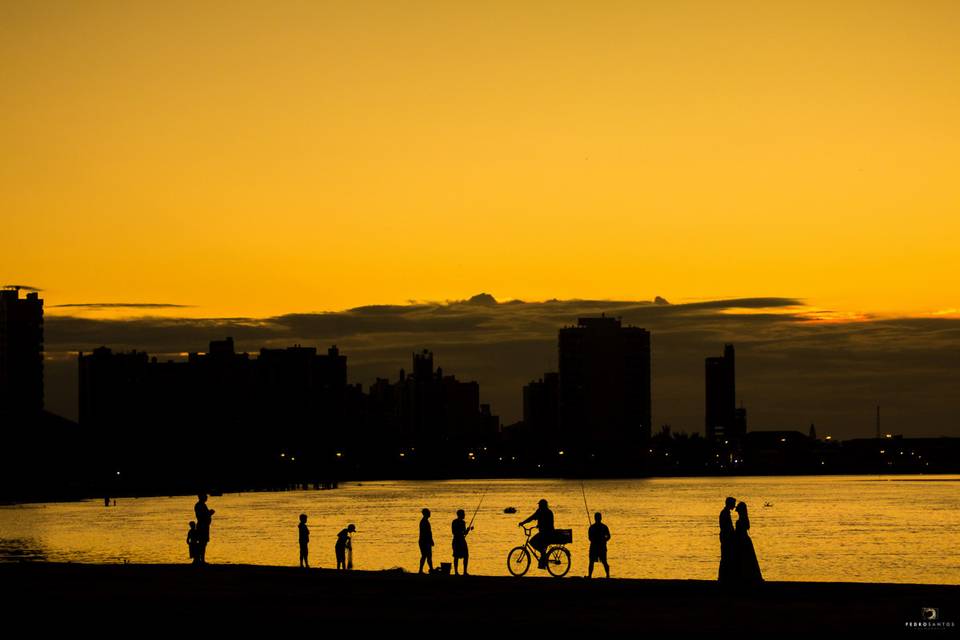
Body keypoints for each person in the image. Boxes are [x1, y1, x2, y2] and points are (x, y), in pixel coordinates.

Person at [519, 499, 555, 569]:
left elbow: (532, 518)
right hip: (548, 533)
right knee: (541, 547)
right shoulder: (549, 511)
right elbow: (546, 522)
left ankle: (543, 556)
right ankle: (543, 561)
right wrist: (539, 525)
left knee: (532, 542)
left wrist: (523, 523)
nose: (539, 506)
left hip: (546, 533)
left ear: (542, 505)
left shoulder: (541, 511)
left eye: (540, 505)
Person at [734, 502, 763, 585]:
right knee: (748, 559)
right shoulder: (744, 519)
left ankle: (745, 577)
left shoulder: (741, 520)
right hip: (745, 540)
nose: (737, 511)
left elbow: (739, 531)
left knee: (744, 559)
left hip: (742, 541)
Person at [718, 496, 736, 583]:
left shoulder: (725, 513)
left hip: (726, 537)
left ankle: (725, 576)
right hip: (726, 538)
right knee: (725, 557)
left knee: (726, 557)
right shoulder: (725, 513)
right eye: (733, 504)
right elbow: (726, 527)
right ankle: (722, 577)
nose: (734, 506)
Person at [587, 512, 611, 578]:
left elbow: (589, 537)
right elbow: (608, 536)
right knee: (600, 561)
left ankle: (590, 576)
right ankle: (607, 575)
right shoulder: (603, 527)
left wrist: (603, 540)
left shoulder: (592, 527)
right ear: (601, 518)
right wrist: (604, 540)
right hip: (599, 546)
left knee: (595, 562)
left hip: (597, 547)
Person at [193, 494, 215, 565]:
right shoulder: (200, 505)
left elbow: (204, 514)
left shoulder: (200, 505)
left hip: (203, 525)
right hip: (203, 526)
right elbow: (202, 516)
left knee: (202, 543)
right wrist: (210, 513)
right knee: (202, 543)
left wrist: (208, 513)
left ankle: (200, 559)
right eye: (205, 497)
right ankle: (200, 560)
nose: (206, 498)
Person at [451, 509, 473, 576]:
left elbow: (463, 533)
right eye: (463, 514)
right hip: (459, 540)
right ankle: (463, 572)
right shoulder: (461, 522)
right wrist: (467, 530)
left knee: (460, 556)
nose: (464, 515)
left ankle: (457, 572)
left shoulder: (455, 521)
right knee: (459, 556)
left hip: (458, 540)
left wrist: (468, 530)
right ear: (460, 515)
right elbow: (461, 532)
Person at [418, 508, 434, 574]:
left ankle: (428, 569)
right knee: (427, 556)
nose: (430, 513)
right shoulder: (424, 522)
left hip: (423, 541)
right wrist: (430, 540)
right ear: (426, 514)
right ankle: (429, 569)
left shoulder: (424, 521)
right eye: (429, 512)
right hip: (425, 541)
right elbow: (427, 533)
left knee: (425, 556)